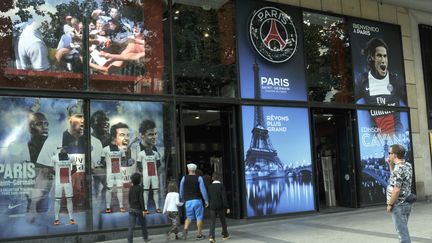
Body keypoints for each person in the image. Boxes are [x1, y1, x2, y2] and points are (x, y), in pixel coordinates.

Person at [356, 38, 406, 134]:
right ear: (372, 58)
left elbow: (409, 105)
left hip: (397, 135)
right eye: (379, 56)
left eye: (385, 56)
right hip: (375, 137)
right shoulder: (362, 80)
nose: (383, 60)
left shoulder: (396, 80)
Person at [386, 144, 413, 243]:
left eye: (389, 153)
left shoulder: (398, 169)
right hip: (406, 203)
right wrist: (390, 165)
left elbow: (396, 189)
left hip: (398, 205)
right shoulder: (407, 165)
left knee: (402, 235)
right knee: (403, 229)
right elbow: (395, 179)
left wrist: (390, 204)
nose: (388, 155)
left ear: (395, 155)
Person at [135, 120, 162, 214]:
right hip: (139, 186)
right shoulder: (135, 150)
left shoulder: (156, 151)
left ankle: (156, 207)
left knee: (155, 192)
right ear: (142, 135)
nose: (154, 137)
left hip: (152, 180)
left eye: (155, 134)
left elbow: (159, 165)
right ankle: (144, 209)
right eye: (151, 134)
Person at [102, 122, 129, 213]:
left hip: (118, 172)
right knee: (109, 189)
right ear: (113, 137)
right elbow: (102, 161)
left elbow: (124, 160)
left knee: (120, 189)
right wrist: (105, 165)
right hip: (110, 172)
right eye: (121, 135)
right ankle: (107, 207)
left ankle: (121, 206)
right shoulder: (105, 149)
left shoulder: (121, 150)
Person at [179, 163, 209, 241]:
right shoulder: (199, 178)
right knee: (199, 217)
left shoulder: (184, 178)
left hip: (188, 201)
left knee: (189, 217)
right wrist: (206, 200)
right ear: (195, 170)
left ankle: (185, 230)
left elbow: (181, 189)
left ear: (188, 170)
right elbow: (203, 190)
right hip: (197, 200)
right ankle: (199, 234)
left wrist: (181, 198)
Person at [52, 148, 76, 225]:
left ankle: (71, 218)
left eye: (64, 148)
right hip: (59, 182)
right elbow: (51, 169)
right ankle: (56, 218)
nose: (63, 149)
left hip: (67, 181)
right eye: (61, 148)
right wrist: (58, 176)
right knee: (57, 200)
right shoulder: (54, 157)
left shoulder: (71, 157)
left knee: (69, 199)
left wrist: (68, 175)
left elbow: (75, 168)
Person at [127, 172, 151, 243]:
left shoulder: (131, 188)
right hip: (138, 209)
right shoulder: (140, 188)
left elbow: (129, 198)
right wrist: (143, 210)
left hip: (131, 209)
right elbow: (141, 199)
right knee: (143, 224)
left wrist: (131, 206)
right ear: (139, 180)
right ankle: (145, 238)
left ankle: (130, 241)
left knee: (131, 227)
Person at [208, 173, 230, 243]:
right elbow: (224, 197)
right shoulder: (221, 186)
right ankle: (225, 235)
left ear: (212, 178)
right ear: (219, 178)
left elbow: (209, 197)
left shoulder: (209, 186)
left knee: (212, 222)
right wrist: (227, 207)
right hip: (220, 206)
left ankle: (211, 237)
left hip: (212, 206)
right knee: (223, 221)